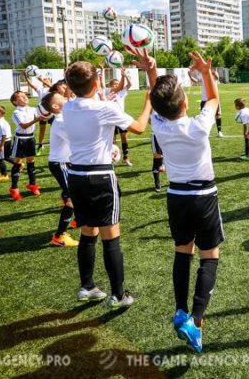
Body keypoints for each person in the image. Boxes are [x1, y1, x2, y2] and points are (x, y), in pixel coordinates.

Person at [63, 56, 157, 309]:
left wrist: (98, 83)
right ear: (96, 84)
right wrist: (148, 102)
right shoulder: (104, 109)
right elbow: (138, 127)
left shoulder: (68, 106)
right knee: (111, 236)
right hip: (100, 177)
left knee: (87, 233)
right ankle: (118, 295)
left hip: (76, 177)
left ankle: (87, 287)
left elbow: (89, 100)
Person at [150, 51, 223, 353]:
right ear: (184, 104)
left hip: (176, 197)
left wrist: (151, 71)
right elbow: (215, 100)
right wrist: (206, 73)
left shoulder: (158, 124)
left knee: (183, 251)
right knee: (210, 256)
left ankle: (181, 310)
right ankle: (195, 318)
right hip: (204, 196)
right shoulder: (197, 125)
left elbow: (157, 100)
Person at [40, 92, 79, 247]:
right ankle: (59, 236)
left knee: (75, 194)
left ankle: (78, 220)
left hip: (67, 163)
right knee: (73, 198)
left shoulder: (64, 118)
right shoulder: (61, 121)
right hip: (60, 164)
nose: (66, 98)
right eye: (62, 98)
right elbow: (76, 141)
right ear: (55, 106)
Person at [8, 90, 42, 201]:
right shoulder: (16, 113)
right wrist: (36, 119)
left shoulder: (33, 109)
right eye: (21, 97)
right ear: (15, 101)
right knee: (18, 163)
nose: (25, 97)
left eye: (25, 95)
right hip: (21, 139)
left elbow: (43, 115)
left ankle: (32, 184)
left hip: (31, 138)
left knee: (31, 162)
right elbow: (23, 126)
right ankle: (14, 188)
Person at [104, 67, 133, 166]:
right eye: (114, 84)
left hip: (121, 119)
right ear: (110, 86)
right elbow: (104, 86)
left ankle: (126, 158)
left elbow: (129, 85)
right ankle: (111, 159)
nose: (116, 85)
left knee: (124, 138)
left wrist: (124, 76)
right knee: (112, 140)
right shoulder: (108, 91)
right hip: (112, 119)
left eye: (117, 84)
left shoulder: (122, 92)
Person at [189, 67, 224, 138]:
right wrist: (190, 76)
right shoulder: (202, 75)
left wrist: (214, 73)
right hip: (204, 99)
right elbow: (196, 81)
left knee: (217, 115)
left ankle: (219, 132)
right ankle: (206, 132)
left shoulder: (213, 73)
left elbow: (217, 78)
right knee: (204, 116)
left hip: (214, 99)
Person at [24, 72, 52, 153]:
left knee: (55, 128)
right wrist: (26, 77)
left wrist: (42, 80)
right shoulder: (40, 90)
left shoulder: (52, 88)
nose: (45, 81)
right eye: (44, 80)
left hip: (52, 113)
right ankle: (40, 144)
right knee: (42, 130)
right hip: (42, 113)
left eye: (47, 80)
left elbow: (53, 87)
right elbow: (31, 85)